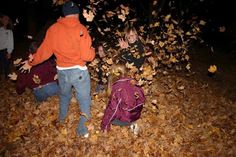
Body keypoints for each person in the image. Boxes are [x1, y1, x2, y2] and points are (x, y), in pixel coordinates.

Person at [20, 1, 95, 138]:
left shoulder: (53, 29)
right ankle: (82, 129)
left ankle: (61, 118)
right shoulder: (81, 29)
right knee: (84, 98)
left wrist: (31, 62)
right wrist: (92, 51)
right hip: (78, 71)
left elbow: (43, 51)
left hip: (62, 71)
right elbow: (87, 56)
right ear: (77, 14)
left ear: (64, 14)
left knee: (65, 95)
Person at [101, 63, 145, 135]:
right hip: (136, 114)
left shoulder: (117, 89)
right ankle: (132, 122)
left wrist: (105, 126)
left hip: (127, 119)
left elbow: (113, 110)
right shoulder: (132, 81)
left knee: (110, 113)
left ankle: (130, 124)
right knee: (119, 104)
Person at [0, 13, 14, 80]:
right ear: (1, 19)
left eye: (8, 19)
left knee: (6, 66)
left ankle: (7, 78)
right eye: (5, 19)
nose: (7, 20)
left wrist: (9, 52)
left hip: (5, 50)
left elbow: (10, 42)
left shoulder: (9, 31)